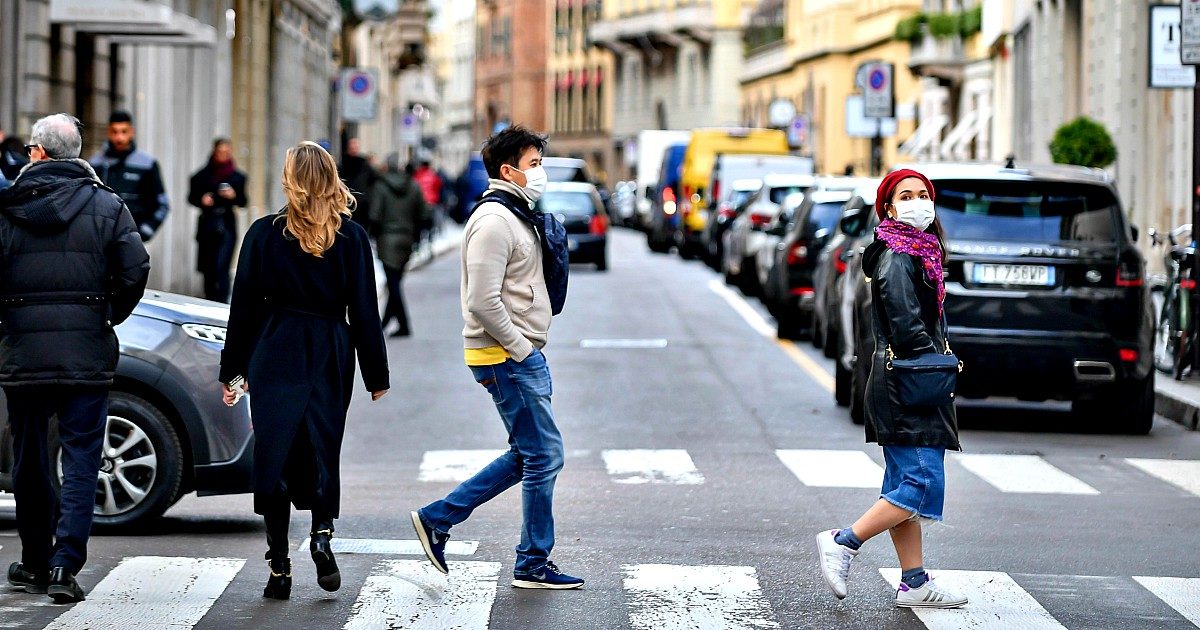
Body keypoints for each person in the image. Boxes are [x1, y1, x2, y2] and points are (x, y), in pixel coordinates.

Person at [410, 125, 584, 590]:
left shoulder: (514, 213)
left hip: (511, 354)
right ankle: (529, 561)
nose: (540, 172)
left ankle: (438, 519)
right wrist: (523, 349)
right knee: (545, 455)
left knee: (530, 453)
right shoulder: (493, 222)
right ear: (508, 171)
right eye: (533, 165)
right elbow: (483, 301)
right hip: (505, 355)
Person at [220, 141, 390, 601]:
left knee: (274, 455)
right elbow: (365, 311)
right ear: (332, 179)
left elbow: (244, 311)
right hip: (330, 351)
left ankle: (279, 568)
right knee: (320, 448)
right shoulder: (352, 238)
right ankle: (321, 533)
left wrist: (233, 374)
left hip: (275, 349)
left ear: (291, 179)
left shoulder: (262, 233)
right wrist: (376, 376)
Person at [0, 113, 150, 603]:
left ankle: (36, 560)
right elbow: (134, 269)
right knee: (83, 456)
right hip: (86, 348)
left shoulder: (7, 207)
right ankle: (66, 566)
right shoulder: (107, 204)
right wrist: (105, 316)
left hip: (24, 348)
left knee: (30, 458)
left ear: (40, 153)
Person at [816, 169, 966, 609]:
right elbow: (905, 324)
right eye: (907, 195)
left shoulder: (918, 253)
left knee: (903, 485)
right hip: (908, 382)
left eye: (924, 194)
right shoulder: (898, 257)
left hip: (902, 379)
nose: (919, 201)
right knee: (918, 483)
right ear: (888, 207)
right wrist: (935, 362)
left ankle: (914, 581)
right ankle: (844, 541)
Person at [369, 153, 429, 337]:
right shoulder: (414, 186)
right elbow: (424, 213)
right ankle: (385, 323)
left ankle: (402, 325)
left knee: (393, 284)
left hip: (387, 240)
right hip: (407, 240)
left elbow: (375, 215)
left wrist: (373, 233)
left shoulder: (380, 187)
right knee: (395, 282)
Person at [89, 110, 170, 241]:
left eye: (124, 131)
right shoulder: (95, 163)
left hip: (131, 239)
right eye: (114, 132)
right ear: (108, 132)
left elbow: (162, 204)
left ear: (132, 132)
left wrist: (146, 230)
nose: (119, 138)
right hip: (100, 239)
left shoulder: (147, 164)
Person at [188, 138, 248, 303]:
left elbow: (243, 202)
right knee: (208, 268)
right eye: (221, 152)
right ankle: (209, 300)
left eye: (227, 152)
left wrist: (233, 196)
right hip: (208, 223)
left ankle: (221, 303)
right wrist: (203, 200)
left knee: (222, 267)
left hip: (226, 223)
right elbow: (191, 198)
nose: (223, 155)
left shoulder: (237, 177)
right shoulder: (201, 176)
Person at [338, 137, 375, 231]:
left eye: (356, 145)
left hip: (362, 208)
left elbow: (372, 183)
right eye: (352, 145)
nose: (354, 148)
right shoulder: (342, 165)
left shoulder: (364, 165)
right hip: (345, 206)